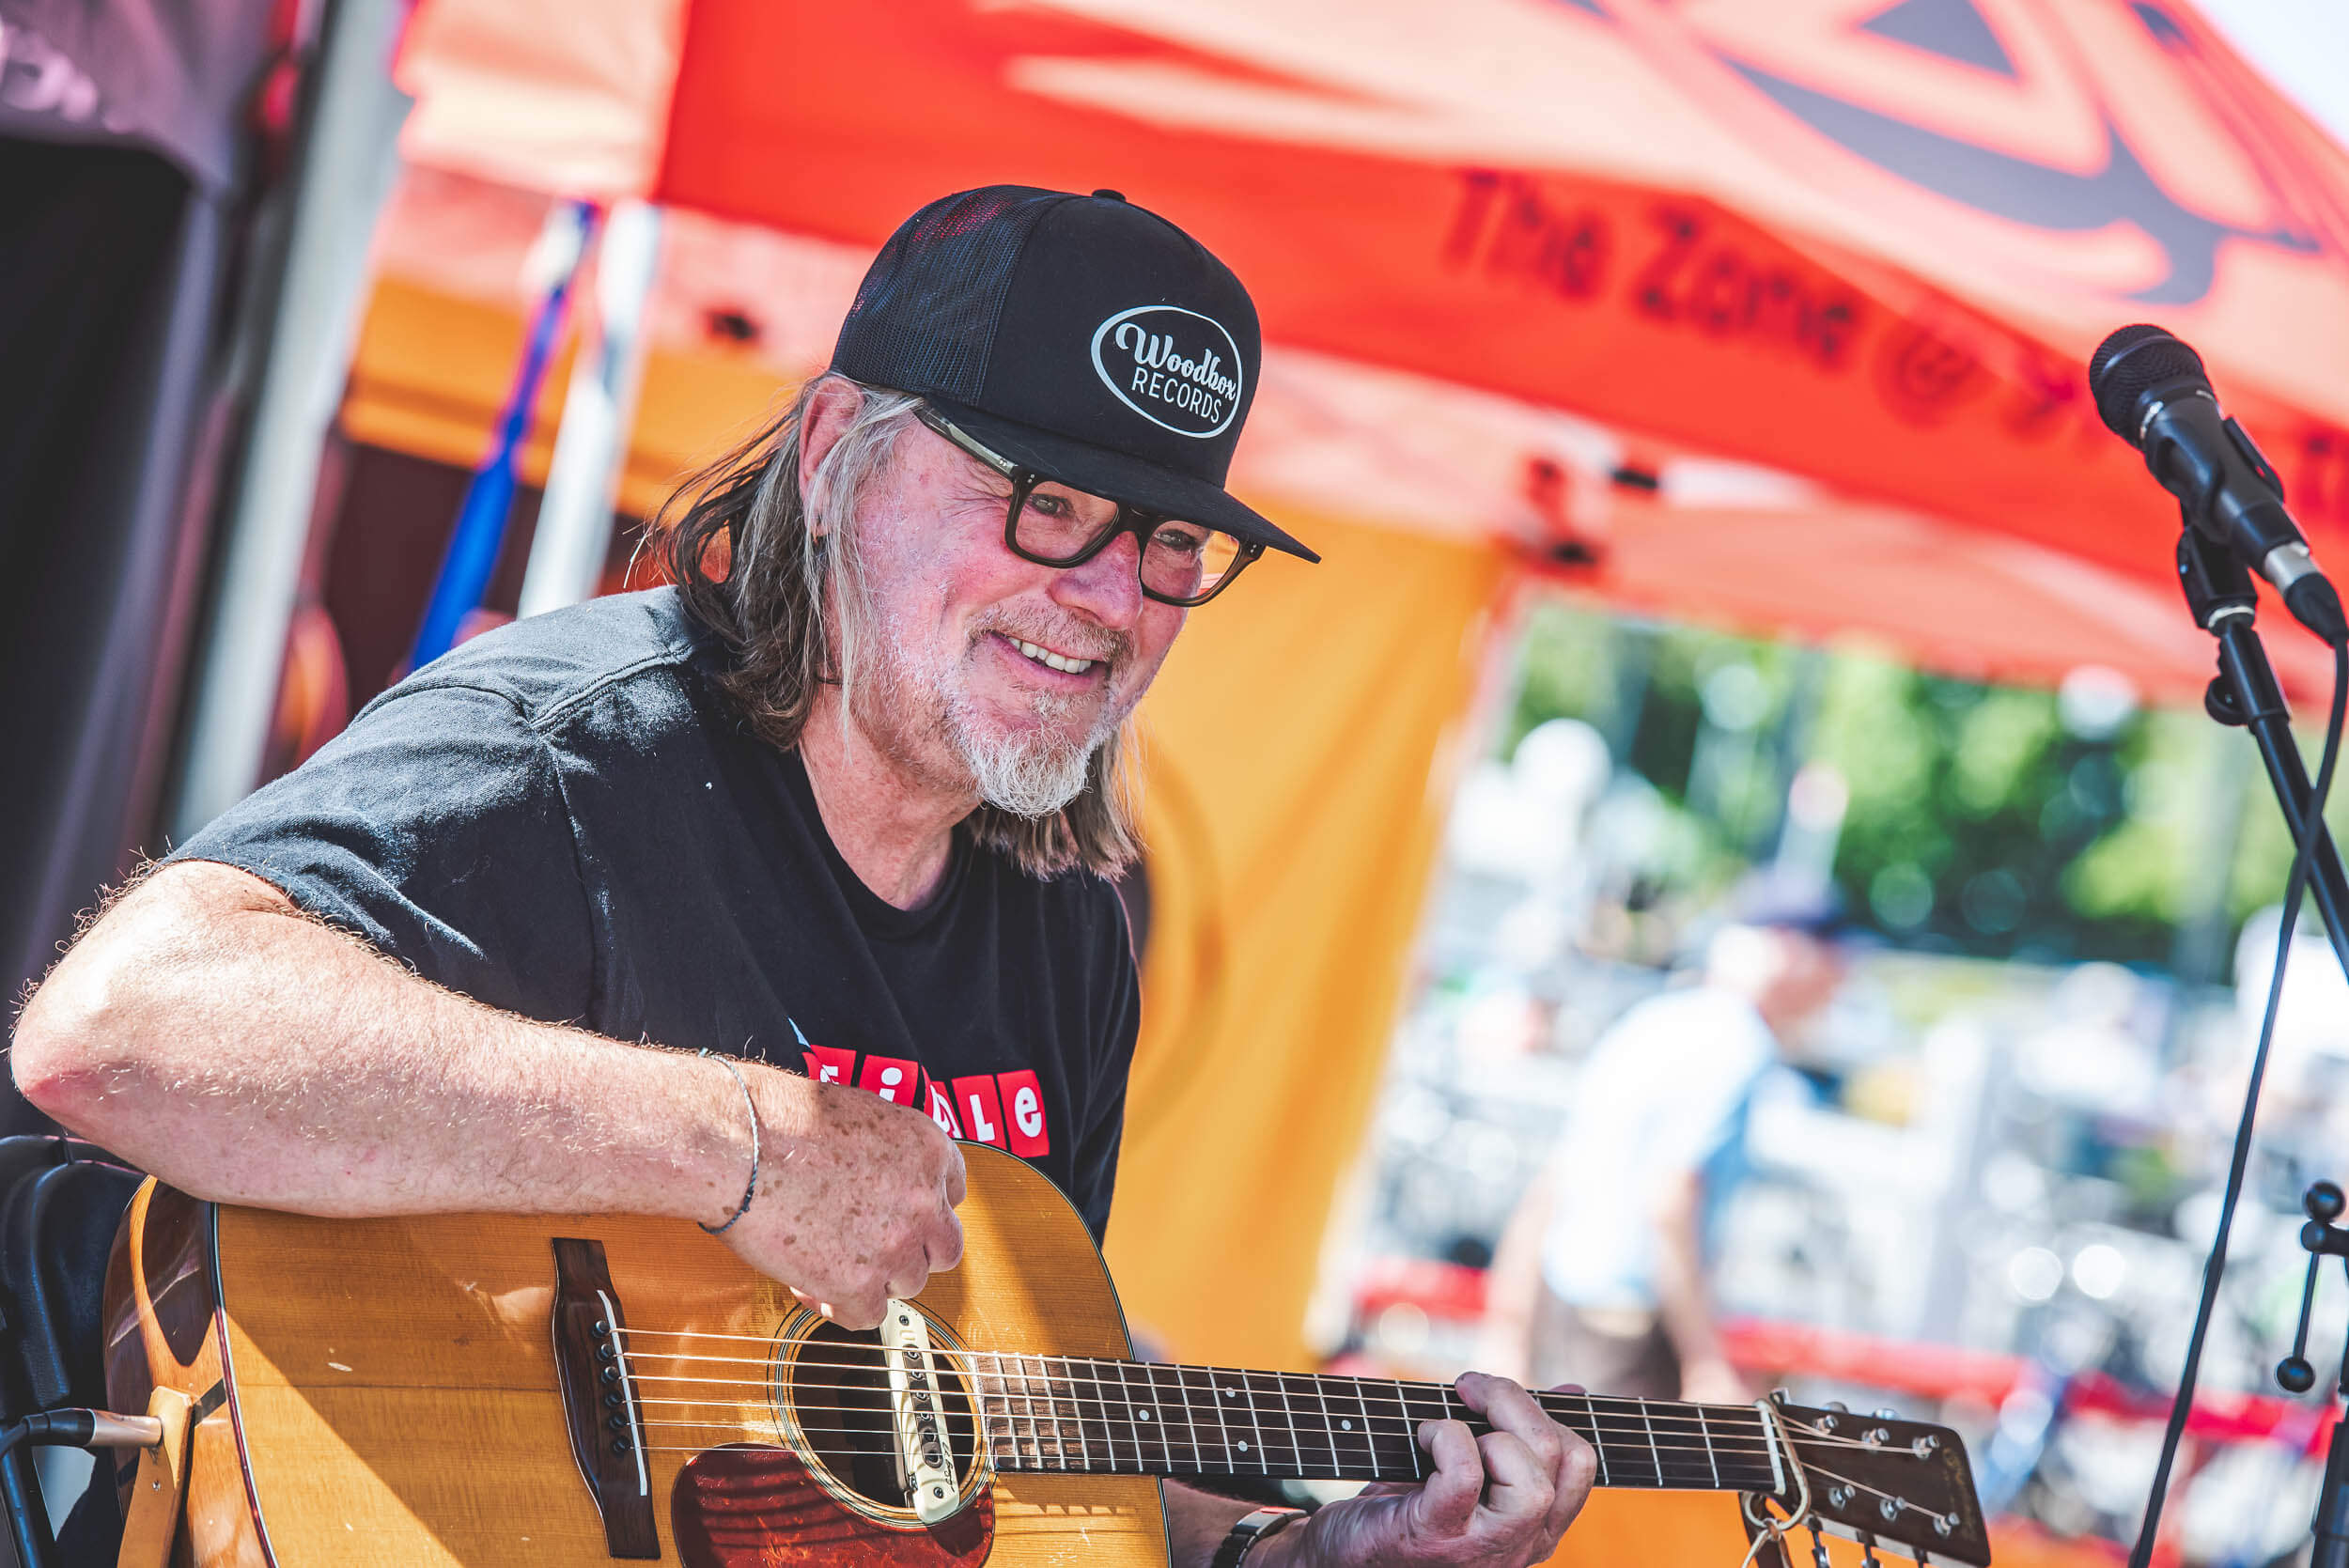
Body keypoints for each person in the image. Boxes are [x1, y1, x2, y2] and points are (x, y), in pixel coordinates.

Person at [13, 186, 1594, 1568]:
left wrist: (1293, 1543)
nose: (1112, 595)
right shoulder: (576, 757)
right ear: (839, 452)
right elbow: (121, 1025)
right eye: (1046, 503)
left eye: (1173, 541)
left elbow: (1003, 1447)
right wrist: (747, 1140)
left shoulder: (1065, 937)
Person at [1481, 893, 1843, 1404]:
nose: (1840, 983)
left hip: (1571, 1312)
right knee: (1617, 1482)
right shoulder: (1737, 1042)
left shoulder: (1653, 1020)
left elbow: (1557, 1181)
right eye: (1837, 963)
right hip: (1630, 1335)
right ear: (1792, 956)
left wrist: (1508, 1333)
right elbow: (1670, 1203)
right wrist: (1705, 1363)